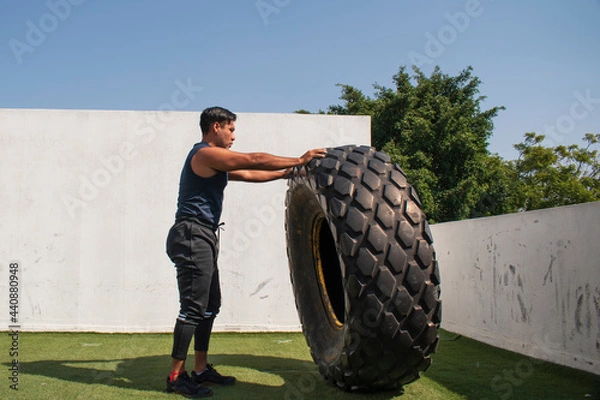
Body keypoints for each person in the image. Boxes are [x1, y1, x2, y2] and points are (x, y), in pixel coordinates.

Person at [165, 106, 327, 398]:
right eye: (231, 129)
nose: (233, 136)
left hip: (204, 236)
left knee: (210, 305)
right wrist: (299, 158)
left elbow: (250, 172)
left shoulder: (216, 163)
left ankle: (200, 370)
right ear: (216, 126)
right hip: (191, 235)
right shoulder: (204, 154)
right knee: (192, 308)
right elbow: (252, 158)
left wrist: (288, 172)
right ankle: (176, 377)